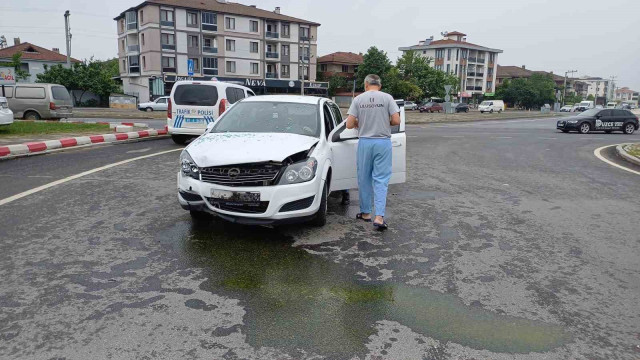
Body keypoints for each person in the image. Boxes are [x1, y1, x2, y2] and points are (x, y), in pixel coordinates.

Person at [345, 74, 400, 230]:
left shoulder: (358, 99)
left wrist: (360, 123)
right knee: (381, 179)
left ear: (366, 84)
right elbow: (396, 121)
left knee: (364, 178)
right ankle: (379, 217)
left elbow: (349, 124)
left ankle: (366, 213)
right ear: (379, 85)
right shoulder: (387, 98)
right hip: (382, 142)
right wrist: (384, 121)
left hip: (365, 143)